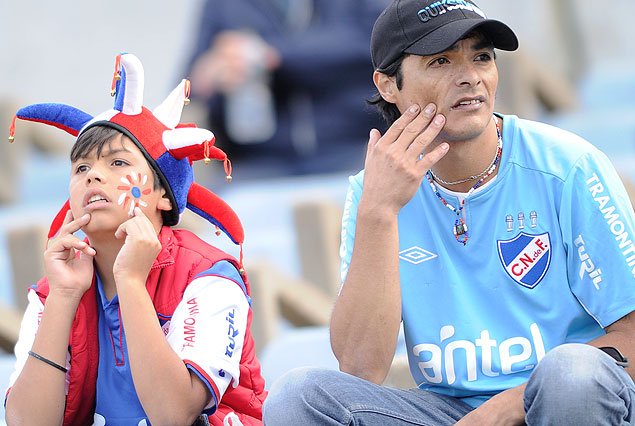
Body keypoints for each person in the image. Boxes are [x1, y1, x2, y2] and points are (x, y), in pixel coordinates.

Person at [262, 0, 635, 425]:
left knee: (571, 372)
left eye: (481, 57)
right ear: (387, 85)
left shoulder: (569, 166)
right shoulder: (373, 192)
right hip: (448, 414)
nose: (471, 76)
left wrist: (514, 402)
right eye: (441, 60)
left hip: (566, 401)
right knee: (299, 396)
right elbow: (361, 367)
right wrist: (380, 213)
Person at [5, 53, 266, 426]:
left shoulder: (210, 277)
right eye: (81, 168)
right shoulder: (53, 291)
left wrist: (129, 281)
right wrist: (63, 297)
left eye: (117, 163)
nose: (93, 176)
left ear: (164, 195)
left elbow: (174, 415)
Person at [185, 0, 389, 178]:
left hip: (356, 146)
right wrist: (211, 74)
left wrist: (273, 54)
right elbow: (188, 89)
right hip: (258, 161)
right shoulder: (221, 4)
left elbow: (377, 44)